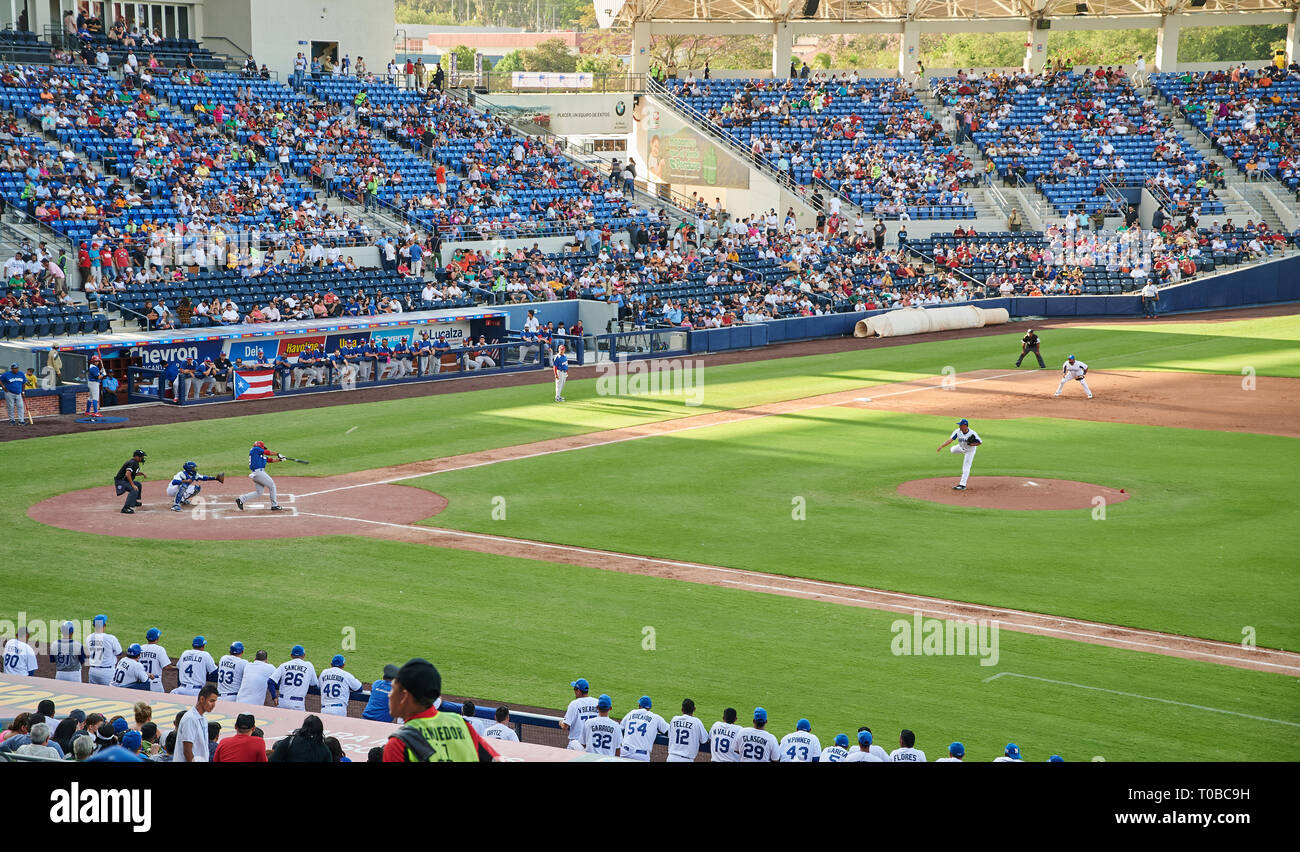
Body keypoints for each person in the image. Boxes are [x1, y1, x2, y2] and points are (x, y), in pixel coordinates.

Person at [382, 658, 498, 762]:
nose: (389, 695)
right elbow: (496, 759)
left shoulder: (398, 745)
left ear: (404, 696)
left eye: (393, 689)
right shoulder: (460, 724)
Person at [174, 684, 218, 762]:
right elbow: (187, 751)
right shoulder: (190, 718)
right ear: (202, 699)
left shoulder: (203, 719)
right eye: (211, 701)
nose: (213, 705)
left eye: (215, 702)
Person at [235, 440, 284, 511]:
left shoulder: (259, 456)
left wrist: (280, 459)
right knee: (272, 486)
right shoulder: (255, 449)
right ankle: (274, 505)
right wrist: (277, 454)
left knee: (259, 492)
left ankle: (241, 499)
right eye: (263, 448)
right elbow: (267, 452)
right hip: (259, 473)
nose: (263, 449)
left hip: (257, 474)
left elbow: (269, 460)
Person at [937, 418, 981, 491]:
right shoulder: (957, 431)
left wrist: (972, 444)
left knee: (966, 466)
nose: (959, 426)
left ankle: (962, 485)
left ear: (965, 426)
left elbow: (979, 442)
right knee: (952, 450)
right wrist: (942, 446)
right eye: (959, 425)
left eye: (960, 425)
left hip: (970, 451)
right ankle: (958, 449)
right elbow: (950, 440)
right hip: (961, 447)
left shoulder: (972, 433)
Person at [620, 695, 668, 761]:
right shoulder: (656, 718)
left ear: (639, 705)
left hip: (625, 753)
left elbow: (620, 728)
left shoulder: (631, 713)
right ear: (650, 707)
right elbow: (669, 731)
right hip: (641, 756)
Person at [271, 645, 318, 711]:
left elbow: (270, 681)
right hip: (297, 703)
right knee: (299, 721)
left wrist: (274, 697)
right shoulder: (309, 665)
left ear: (291, 655)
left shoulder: (284, 665)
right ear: (304, 655)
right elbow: (314, 683)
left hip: (282, 702)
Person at [559, 677, 598, 751]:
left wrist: (561, 722)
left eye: (574, 689)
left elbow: (565, 726)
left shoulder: (574, 704)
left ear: (579, 691)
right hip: (592, 744)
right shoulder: (597, 702)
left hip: (576, 744)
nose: (574, 691)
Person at [666, 698, 710, 762]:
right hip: (686, 759)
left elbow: (670, 736)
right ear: (694, 709)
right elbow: (704, 740)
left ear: (682, 709)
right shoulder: (696, 722)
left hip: (671, 758)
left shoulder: (674, 719)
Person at [85, 614, 122, 685]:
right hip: (107, 673)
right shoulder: (110, 638)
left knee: (92, 694)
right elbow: (119, 653)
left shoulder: (88, 638)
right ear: (104, 625)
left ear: (94, 625)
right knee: (109, 694)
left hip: (93, 671)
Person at [114, 449, 148, 514]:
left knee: (138, 484)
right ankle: (125, 508)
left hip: (125, 480)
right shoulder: (132, 463)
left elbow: (133, 473)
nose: (142, 458)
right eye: (141, 456)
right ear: (137, 457)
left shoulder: (135, 463)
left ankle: (133, 501)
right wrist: (132, 485)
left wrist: (142, 474)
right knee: (134, 489)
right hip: (121, 481)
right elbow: (127, 474)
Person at [139, 628, 171, 693]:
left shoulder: (140, 648)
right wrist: (178, 668)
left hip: (141, 680)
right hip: (155, 682)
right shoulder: (160, 649)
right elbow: (166, 667)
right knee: (159, 701)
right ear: (157, 638)